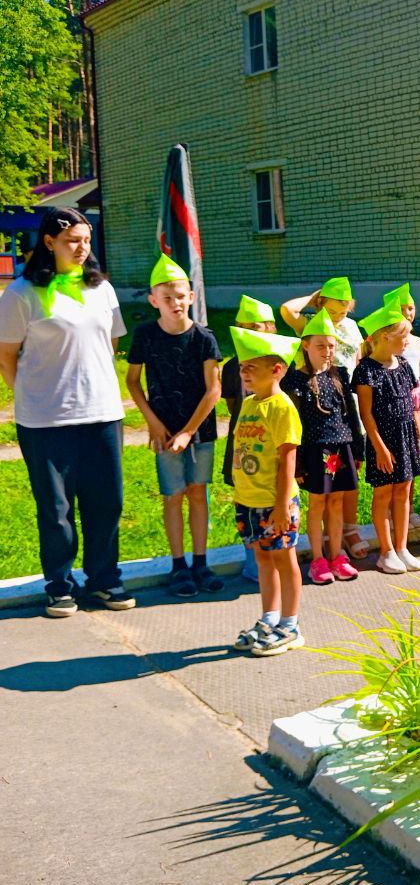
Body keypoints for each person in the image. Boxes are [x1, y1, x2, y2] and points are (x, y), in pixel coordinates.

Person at [0, 208, 132, 618]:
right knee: (56, 511)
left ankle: (104, 579)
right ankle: (59, 585)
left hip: (102, 413)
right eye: (73, 240)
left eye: (86, 240)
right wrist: (34, 394)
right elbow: (6, 355)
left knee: (106, 502)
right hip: (45, 420)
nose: (82, 248)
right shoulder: (21, 293)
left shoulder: (102, 289)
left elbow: (111, 346)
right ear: (49, 242)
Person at [126, 255, 223, 599]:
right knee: (173, 495)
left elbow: (214, 390)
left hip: (199, 430)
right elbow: (133, 381)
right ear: (153, 301)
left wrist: (188, 431)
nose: (175, 303)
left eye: (180, 296)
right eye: (166, 297)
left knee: (198, 493)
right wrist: (153, 423)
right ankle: (178, 565)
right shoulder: (145, 336)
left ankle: (201, 562)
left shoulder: (204, 338)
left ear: (191, 297)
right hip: (164, 431)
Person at [228, 327, 305, 657]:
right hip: (249, 500)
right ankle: (270, 618)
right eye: (242, 367)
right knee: (262, 558)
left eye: (251, 367)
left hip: (275, 502)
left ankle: (290, 625)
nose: (244, 373)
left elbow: (287, 459)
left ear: (276, 370)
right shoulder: (248, 403)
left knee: (284, 559)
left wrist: (282, 504)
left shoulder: (281, 407)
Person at [280, 276, 368, 562]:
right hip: (314, 410)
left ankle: (346, 534)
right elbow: (286, 310)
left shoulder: (351, 328)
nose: (339, 314)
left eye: (344, 308)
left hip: (343, 404)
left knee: (345, 485)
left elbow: (356, 360)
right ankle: (325, 549)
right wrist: (314, 296)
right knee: (321, 494)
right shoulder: (311, 325)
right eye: (333, 308)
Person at [354, 306, 420, 573]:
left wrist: (418, 435)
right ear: (385, 337)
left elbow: (411, 405)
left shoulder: (403, 364)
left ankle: (402, 547)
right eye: (403, 336)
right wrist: (380, 448)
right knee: (384, 493)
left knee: (403, 490)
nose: (407, 342)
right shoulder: (366, 370)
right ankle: (386, 551)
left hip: (405, 436)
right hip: (382, 440)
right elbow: (366, 414)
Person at [222, 294, 275, 582]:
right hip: (244, 445)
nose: (248, 333)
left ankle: (277, 557)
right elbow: (233, 406)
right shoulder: (232, 367)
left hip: (275, 445)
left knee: (276, 500)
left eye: (254, 327)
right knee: (247, 502)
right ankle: (253, 563)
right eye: (242, 328)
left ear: (270, 328)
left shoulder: (282, 364)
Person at [383, 283, 420, 530]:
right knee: (396, 462)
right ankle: (392, 512)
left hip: (415, 407)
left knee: (414, 460)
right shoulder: (388, 344)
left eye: (411, 308)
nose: (408, 313)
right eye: (402, 309)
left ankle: (409, 509)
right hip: (395, 407)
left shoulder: (419, 342)